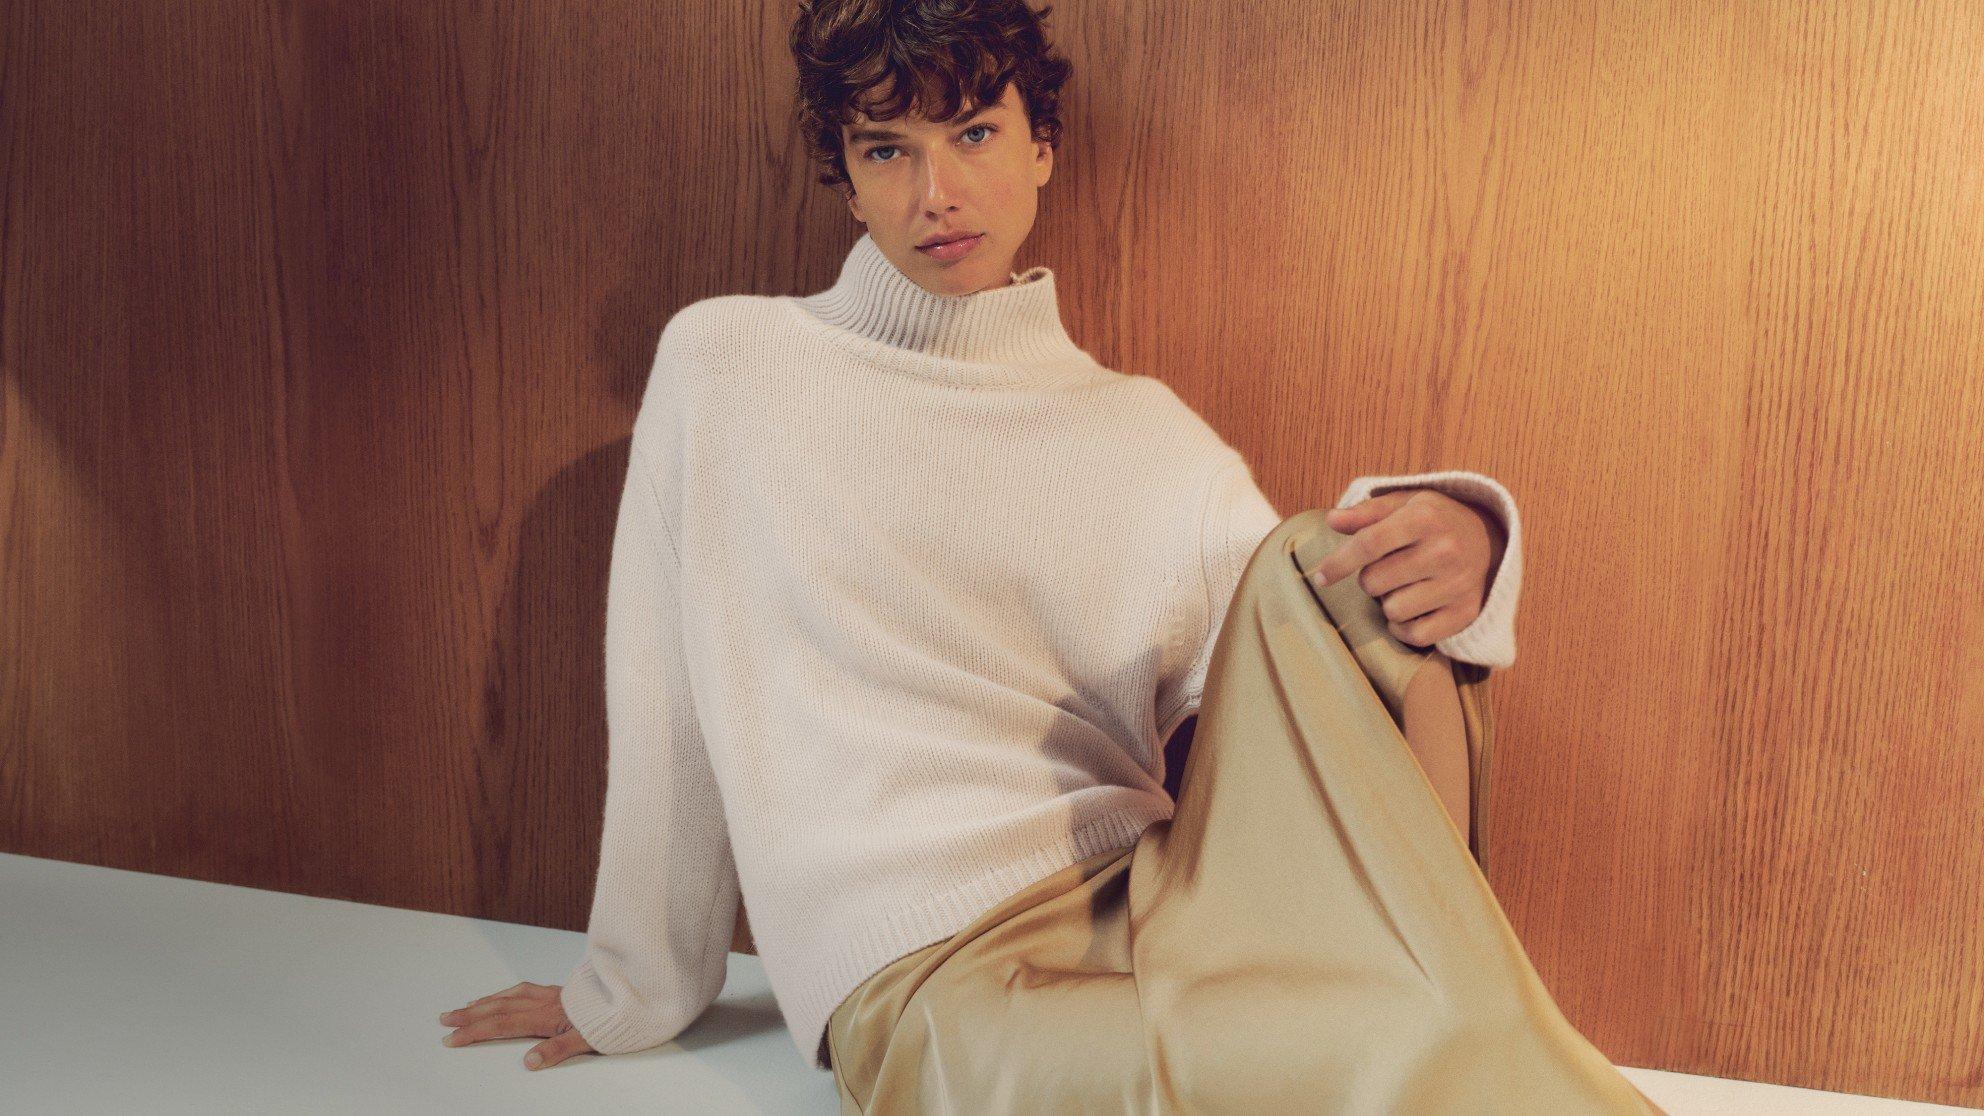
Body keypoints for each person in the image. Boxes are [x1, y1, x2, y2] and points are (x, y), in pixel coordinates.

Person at [436, 4, 1657, 1111]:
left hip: (1165, 906)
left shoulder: (1143, 436)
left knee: (1332, 552)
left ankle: (1424, 966)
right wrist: (636, 987)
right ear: (847, 182)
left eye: (972, 133)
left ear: (1041, 150)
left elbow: (1330, 656)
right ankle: (1434, 996)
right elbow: (669, 709)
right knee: (1400, 1062)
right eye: (886, 150)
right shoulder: (730, 367)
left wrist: (1467, 534)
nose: (935, 192)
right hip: (930, 974)